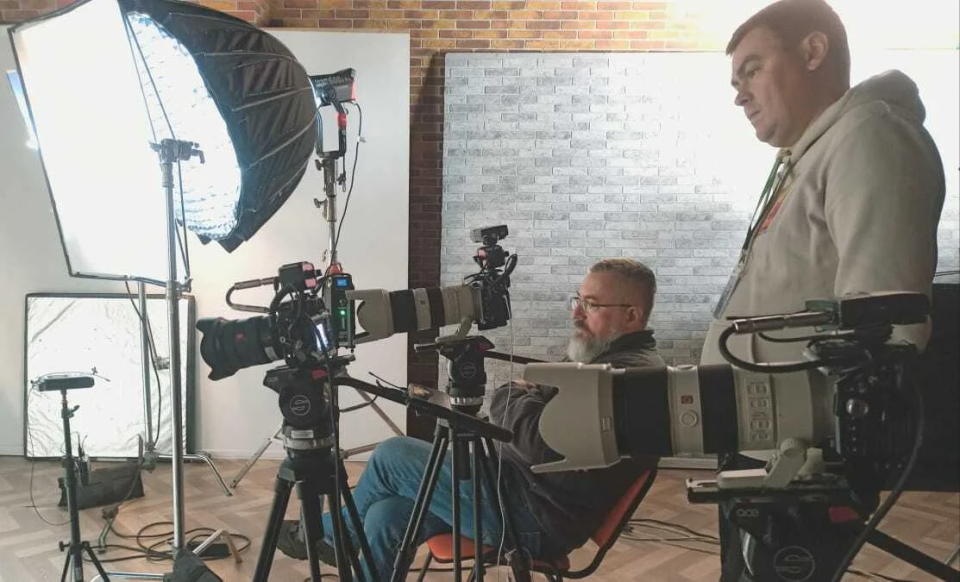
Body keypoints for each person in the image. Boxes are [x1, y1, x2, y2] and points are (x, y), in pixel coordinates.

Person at [701, 1, 946, 579]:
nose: (739, 93)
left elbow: (884, 321)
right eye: (735, 80)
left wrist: (814, 461)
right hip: (764, 439)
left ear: (813, 52)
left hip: (802, 456)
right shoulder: (811, 154)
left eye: (752, 68)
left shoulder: (871, 136)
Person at [276, 258, 664, 578]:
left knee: (393, 455)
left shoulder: (626, 380)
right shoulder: (599, 356)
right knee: (384, 516)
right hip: (514, 488)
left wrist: (511, 394)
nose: (576, 313)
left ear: (631, 315)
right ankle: (338, 538)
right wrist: (524, 398)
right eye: (576, 300)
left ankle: (326, 535)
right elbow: (533, 410)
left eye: (591, 305)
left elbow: (534, 442)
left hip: (533, 518)